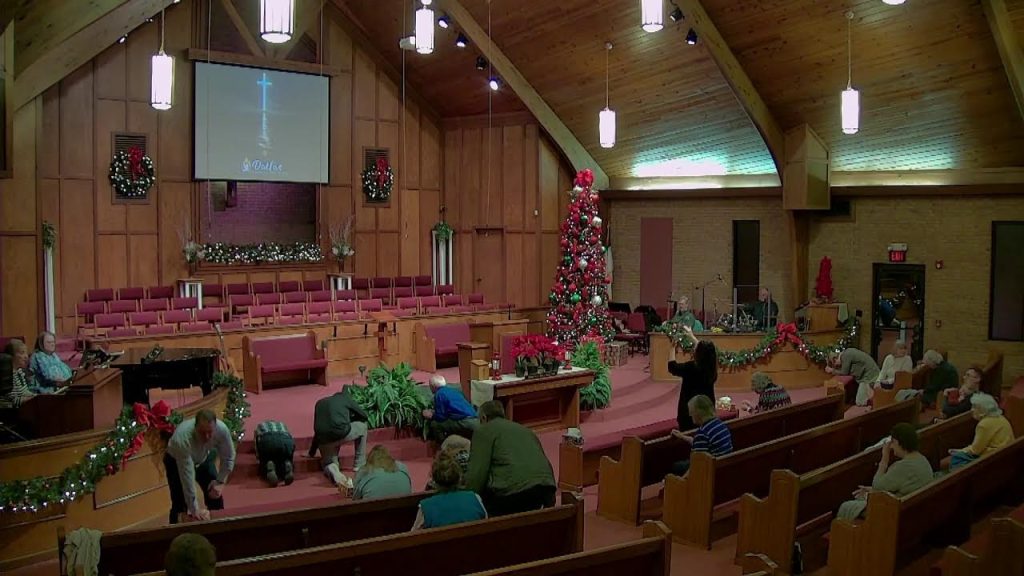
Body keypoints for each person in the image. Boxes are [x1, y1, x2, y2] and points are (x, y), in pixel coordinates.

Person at [465, 400, 556, 516]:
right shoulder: (525, 430)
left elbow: (477, 472)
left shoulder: (483, 430)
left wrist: (465, 497)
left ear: (483, 417)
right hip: (545, 488)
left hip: (513, 493)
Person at [836, 423, 933, 520]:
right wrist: (871, 490)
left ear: (898, 442)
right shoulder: (922, 460)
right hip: (913, 509)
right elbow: (899, 485)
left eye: (892, 442)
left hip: (895, 514)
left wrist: (884, 458)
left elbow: (877, 485)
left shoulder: (903, 466)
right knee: (860, 496)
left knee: (846, 506)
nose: (891, 447)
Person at [164, 409, 236, 524]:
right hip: (176, 461)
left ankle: (220, 528)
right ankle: (174, 532)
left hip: (203, 458)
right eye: (202, 433)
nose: (207, 437)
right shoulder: (182, 439)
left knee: (215, 494)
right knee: (180, 505)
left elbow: (228, 456)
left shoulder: (221, 430)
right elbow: (187, 477)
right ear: (195, 427)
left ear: (215, 427)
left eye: (210, 432)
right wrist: (194, 509)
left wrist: (220, 481)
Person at [308, 384, 369, 489]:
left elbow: (317, 432)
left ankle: (332, 468)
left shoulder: (320, 402)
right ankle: (359, 464)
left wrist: (311, 452)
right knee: (363, 426)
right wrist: (352, 417)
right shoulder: (346, 398)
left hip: (323, 440)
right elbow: (364, 416)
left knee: (329, 463)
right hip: (340, 433)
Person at [412, 452, 488, 530]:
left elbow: (413, 535)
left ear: (434, 481)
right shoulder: (475, 499)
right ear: (459, 478)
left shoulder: (426, 508)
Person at [667, 324, 717, 431]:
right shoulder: (712, 367)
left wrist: (672, 347)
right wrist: (691, 336)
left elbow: (672, 367)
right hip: (708, 409)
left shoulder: (691, 368)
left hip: (690, 412)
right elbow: (706, 351)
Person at [670, 395, 733, 476]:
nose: (690, 415)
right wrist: (682, 436)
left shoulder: (703, 433)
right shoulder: (720, 424)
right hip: (722, 468)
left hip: (709, 474)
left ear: (698, 413)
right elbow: (702, 445)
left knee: (676, 467)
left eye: (691, 412)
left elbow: (696, 466)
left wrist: (679, 481)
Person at [948, 393, 1013, 470]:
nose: (971, 410)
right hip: (1008, 454)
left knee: (957, 458)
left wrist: (959, 451)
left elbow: (975, 450)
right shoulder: (1000, 417)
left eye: (975, 407)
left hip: (994, 459)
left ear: (983, 410)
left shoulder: (984, 424)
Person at [422, 374, 479, 442]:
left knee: (435, 424)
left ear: (432, 386)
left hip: (465, 422)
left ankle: (443, 445)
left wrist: (431, 415)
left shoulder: (439, 394)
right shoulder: (454, 391)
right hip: (475, 419)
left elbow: (441, 417)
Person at [254, 420, 295, 487]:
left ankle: (269, 464)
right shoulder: (282, 424)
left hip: (268, 439)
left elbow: (257, 442)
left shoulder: (260, 426)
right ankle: (286, 463)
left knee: (267, 457)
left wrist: (259, 456)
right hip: (286, 440)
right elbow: (290, 437)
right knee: (285, 456)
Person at [3, 340, 35, 408]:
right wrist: (34, 399)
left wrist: (38, 396)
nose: (26, 356)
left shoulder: (19, 370)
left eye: (26, 353)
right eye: (22, 353)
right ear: (11, 356)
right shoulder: (7, 374)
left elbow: (25, 392)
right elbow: (13, 401)